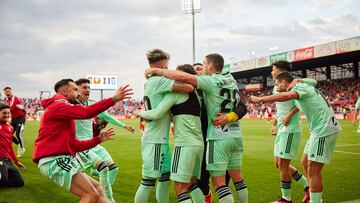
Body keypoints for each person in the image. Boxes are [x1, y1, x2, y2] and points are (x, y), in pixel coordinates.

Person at [145, 53, 248, 203]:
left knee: (215, 183)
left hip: (211, 139)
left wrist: (158, 71)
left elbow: (242, 107)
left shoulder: (206, 83)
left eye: (203, 66)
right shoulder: (229, 79)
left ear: (210, 66)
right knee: (200, 183)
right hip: (219, 139)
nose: (201, 70)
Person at [33, 79, 133, 202]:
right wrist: (113, 99)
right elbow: (86, 113)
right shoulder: (59, 105)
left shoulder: (62, 108)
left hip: (62, 158)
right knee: (90, 194)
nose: (78, 93)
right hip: (54, 160)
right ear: (64, 91)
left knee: (98, 189)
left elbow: (73, 145)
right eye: (75, 89)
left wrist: (97, 140)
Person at [250, 72, 341, 203]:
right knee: (304, 163)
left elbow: (288, 95)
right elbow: (311, 83)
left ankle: (314, 200)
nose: (276, 87)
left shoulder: (299, 88)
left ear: (283, 82)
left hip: (324, 129)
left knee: (313, 169)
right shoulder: (302, 85)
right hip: (317, 130)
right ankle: (309, 191)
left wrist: (261, 99)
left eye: (276, 84)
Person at [139, 64, 205, 203]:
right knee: (192, 184)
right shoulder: (198, 95)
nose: (173, 77)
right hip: (199, 145)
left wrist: (138, 112)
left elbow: (156, 113)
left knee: (180, 188)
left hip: (184, 145)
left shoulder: (176, 94)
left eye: (177, 74)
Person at [74, 78, 135, 202]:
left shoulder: (91, 103)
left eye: (89, 87)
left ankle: (105, 187)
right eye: (84, 87)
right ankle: (109, 199)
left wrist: (125, 126)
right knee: (103, 167)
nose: (87, 90)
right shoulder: (71, 105)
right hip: (81, 146)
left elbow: (107, 117)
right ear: (77, 89)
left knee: (113, 167)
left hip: (93, 143)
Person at [194, 62, 247, 203]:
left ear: (207, 69)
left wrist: (228, 117)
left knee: (222, 181)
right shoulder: (190, 92)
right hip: (199, 142)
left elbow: (242, 107)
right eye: (194, 70)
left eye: (200, 68)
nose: (198, 71)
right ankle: (207, 196)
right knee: (201, 179)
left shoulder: (217, 85)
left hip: (216, 137)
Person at [268, 60, 316, 203]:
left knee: (283, 163)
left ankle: (286, 199)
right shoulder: (276, 86)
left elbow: (301, 102)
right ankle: (307, 186)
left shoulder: (293, 85)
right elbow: (280, 109)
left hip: (290, 129)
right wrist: (274, 124)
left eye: (273, 69)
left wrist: (290, 114)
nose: (271, 72)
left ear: (281, 70)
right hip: (282, 128)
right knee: (279, 163)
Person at [0, 103, 25, 187]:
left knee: (19, 182)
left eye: (8, 113)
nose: (7, 115)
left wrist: (16, 161)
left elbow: (10, 147)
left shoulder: (10, 128)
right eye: (4, 113)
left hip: (7, 160)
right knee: (3, 180)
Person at [3, 87, 26, 157]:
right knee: (8, 133)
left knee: (18, 134)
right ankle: (18, 143)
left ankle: (22, 149)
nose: (7, 93)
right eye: (6, 92)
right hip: (13, 119)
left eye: (8, 91)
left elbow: (11, 107)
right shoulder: (6, 100)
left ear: (11, 92)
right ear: (4, 93)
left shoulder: (14, 98)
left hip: (20, 118)